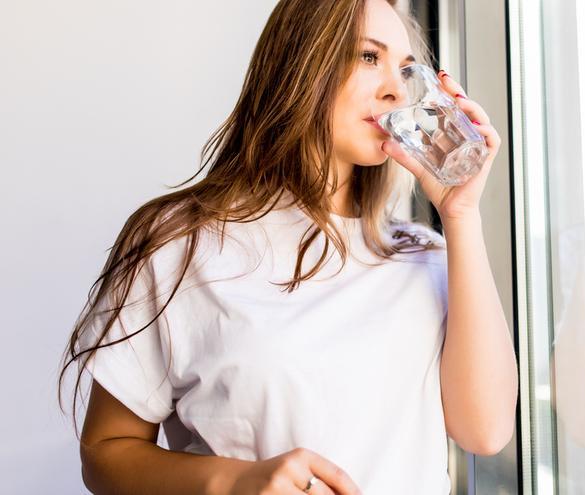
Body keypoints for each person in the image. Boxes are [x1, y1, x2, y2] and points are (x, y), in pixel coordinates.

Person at [57, 0, 518, 493]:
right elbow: (105, 452)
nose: (394, 90)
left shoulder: (425, 254)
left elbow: (485, 431)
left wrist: (461, 215)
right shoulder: (181, 244)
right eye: (368, 57)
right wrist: (238, 483)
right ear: (301, 61)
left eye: (406, 70)